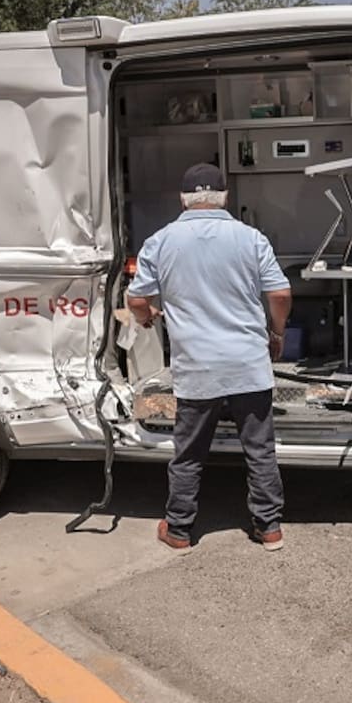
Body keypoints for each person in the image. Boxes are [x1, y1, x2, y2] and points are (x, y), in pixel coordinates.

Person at [127, 163, 293, 552]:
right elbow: (280, 294)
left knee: (189, 454)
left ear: (183, 199)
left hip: (196, 368)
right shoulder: (251, 238)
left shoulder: (161, 241)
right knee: (260, 451)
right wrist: (276, 334)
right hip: (248, 364)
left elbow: (136, 300)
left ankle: (179, 531)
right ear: (225, 197)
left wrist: (147, 316)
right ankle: (269, 528)